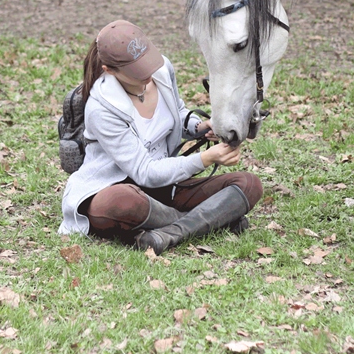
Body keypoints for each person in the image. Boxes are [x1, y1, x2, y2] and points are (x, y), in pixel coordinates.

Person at [58, 20, 263, 255]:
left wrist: (200, 126)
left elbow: (176, 113)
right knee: (124, 201)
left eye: (147, 63)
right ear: (110, 70)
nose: (148, 73)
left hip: (167, 187)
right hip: (117, 188)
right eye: (136, 71)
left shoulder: (162, 70)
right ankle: (210, 220)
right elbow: (144, 172)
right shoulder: (101, 108)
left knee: (248, 184)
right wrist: (204, 159)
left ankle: (168, 233)